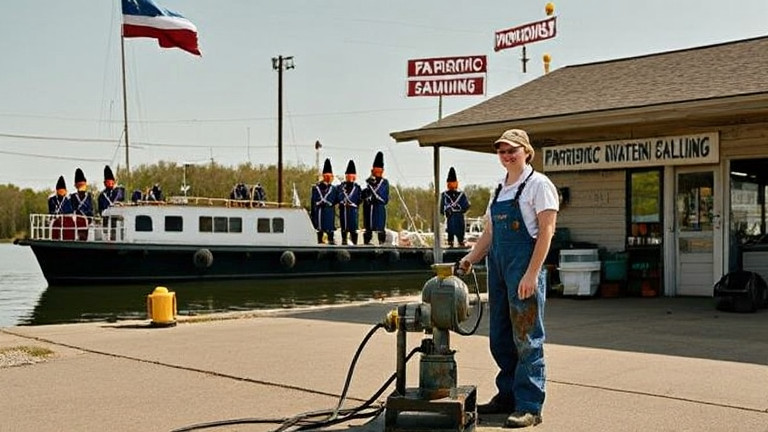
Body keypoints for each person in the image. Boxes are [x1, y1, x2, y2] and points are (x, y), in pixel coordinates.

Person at [458, 129, 559, 429]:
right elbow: (489, 233)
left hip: (524, 269)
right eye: (501, 151)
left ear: (526, 151)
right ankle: (507, 395)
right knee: (500, 337)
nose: (506, 155)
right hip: (499, 271)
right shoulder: (499, 188)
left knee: (527, 338)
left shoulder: (539, 185)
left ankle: (529, 405)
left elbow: (546, 232)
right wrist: (469, 259)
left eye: (512, 150)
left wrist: (531, 274)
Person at [361, 151, 389, 245]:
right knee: (368, 228)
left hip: (378, 208)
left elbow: (383, 197)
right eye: (375, 171)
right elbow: (364, 194)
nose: (377, 173)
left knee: (380, 227)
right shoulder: (368, 182)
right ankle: (367, 242)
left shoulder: (384, 182)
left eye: (379, 171)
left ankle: (382, 242)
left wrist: (372, 187)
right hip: (369, 209)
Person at [440, 166, 471, 247]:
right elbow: (441, 208)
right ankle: (453, 245)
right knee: (452, 237)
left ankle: (459, 244)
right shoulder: (445, 195)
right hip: (453, 217)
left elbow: (466, 206)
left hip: (456, 218)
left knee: (459, 237)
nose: (451, 184)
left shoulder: (460, 195)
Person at [310, 159, 339, 244]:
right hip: (319, 213)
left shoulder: (334, 189)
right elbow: (313, 201)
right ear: (323, 176)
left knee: (330, 230)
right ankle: (319, 241)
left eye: (330, 176)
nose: (329, 178)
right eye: (327, 176)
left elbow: (336, 200)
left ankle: (331, 241)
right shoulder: (316, 188)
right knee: (319, 230)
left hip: (329, 213)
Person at [338, 160, 362, 245]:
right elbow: (339, 196)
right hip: (343, 210)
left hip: (353, 211)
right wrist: (342, 202)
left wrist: (354, 204)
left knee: (353, 228)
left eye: (351, 175)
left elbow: (359, 199)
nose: (349, 176)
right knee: (344, 227)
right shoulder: (341, 187)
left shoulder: (357, 188)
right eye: (348, 175)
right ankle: (344, 240)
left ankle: (354, 243)